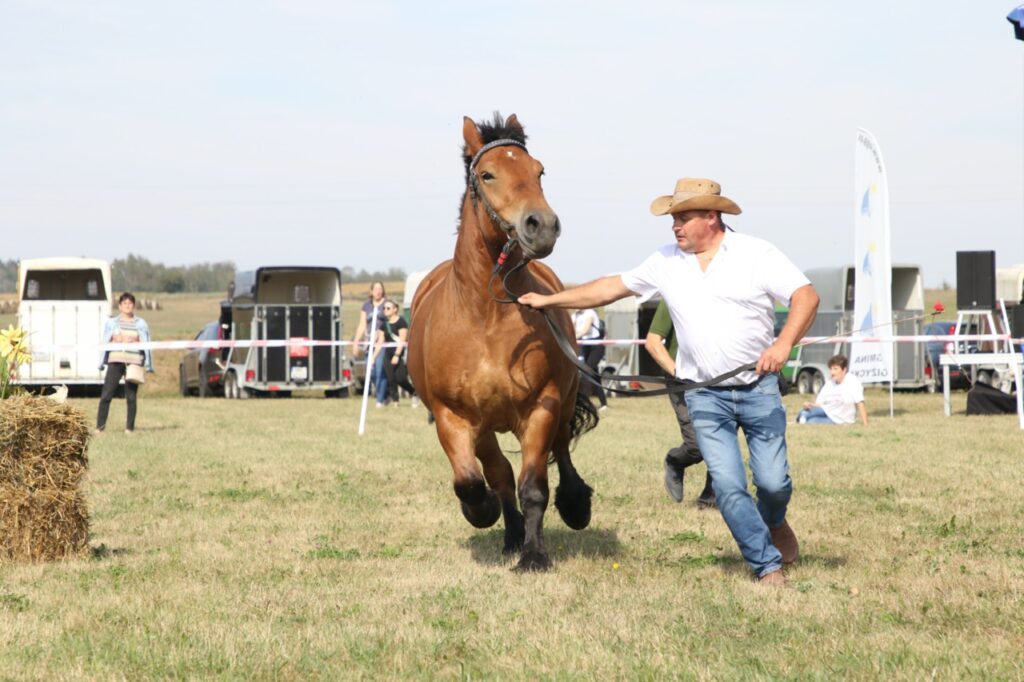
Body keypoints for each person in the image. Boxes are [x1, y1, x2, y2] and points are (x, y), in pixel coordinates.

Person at [518, 177, 820, 586]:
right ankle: (765, 565)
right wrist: (549, 301)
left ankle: (775, 520)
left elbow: (806, 296)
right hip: (704, 395)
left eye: (682, 217)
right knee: (729, 488)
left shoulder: (756, 253)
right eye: (672, 219)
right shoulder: (665, 261)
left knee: (773, 483)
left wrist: (783, 345)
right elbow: (610, 288)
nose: (674, 226)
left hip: (758, 387)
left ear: (711, 217)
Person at [645, 300, 716, 508]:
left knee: (722, 436)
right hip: (682, 380)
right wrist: (677, 372)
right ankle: (676, 460)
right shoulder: (673, 294)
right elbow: (653, 342)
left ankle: (711, 496)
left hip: (720, 377)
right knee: (696, 445)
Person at [96, 292, 153, 434]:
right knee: (106, 395)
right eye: (125, 304)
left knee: (131, 396)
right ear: (120, 306)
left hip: (133, 362)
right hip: (115, 361)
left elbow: (146, 343)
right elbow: (105, 341)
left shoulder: (140, 323)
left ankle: (129, 428)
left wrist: (134, 341)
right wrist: (117, 339)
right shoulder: (112, 323)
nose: (127, 306)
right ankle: (100, 427)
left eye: (130, 303)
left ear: (133, 306)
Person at [370, 299, 419, 408]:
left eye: (388, 308)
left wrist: (397, 355)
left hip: (399, 355)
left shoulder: (401, 322)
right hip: (387, 355)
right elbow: (380, 342)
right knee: (391, 378)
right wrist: (373, 357)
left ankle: (414, 393)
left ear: (395, 309)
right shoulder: (384, 325)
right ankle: (395, 401)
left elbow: (402, 340)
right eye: (384, 308)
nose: (385, 310)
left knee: (401, 378)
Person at [796, 354, 868, 426]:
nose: (832, 372)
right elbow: (820, 403)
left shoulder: (852, 381)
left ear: (844, 370)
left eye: (835, 369)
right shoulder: (830, 383)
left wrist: (866, 424)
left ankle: (803, 420)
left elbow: (860, 402)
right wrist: (810, 404)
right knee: (804, 412)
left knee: (811, 421)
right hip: (827, 410)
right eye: (831, 369)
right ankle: (802, 418)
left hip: (840, 419)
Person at [352, 281, 388, 399]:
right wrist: (356, 343)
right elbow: (362, 325)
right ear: (371, 292)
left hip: (382, 342)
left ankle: (380, 399)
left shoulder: (387, 304)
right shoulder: (366, 306)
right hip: (369, 342)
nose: (378, 291)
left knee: (379, 370)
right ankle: (384, 392)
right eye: (376, 289)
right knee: (370, 372)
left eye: (380, 289)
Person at [572, 308, 608, 411]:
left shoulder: (590, 312)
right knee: (594, 374)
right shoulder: (575, 315)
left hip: (596, 346)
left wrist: (573, 337)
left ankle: (583, 402)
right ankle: (604, 403)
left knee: (586, 372)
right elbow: (571, 329)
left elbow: (585, 330)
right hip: (585, 346)